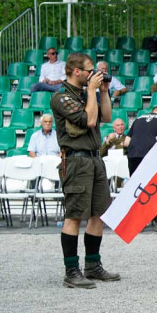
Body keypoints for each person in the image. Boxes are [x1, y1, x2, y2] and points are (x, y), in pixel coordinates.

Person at [50, 53, 119, 289]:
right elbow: (89, 121)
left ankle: (93, 266)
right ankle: (71, 271)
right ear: (76, 71)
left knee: (98, 213)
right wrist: (91, 91)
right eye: (89, 70)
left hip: (95, 159)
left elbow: (107, 116)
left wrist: (104, 91)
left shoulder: (85, 94)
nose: (94, 75)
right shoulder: (61, 97)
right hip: (76, 161)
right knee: (75, 215)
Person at [124, 105, 157, 231]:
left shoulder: (138, 119)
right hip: (151, 156)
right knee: (155, 187)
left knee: (137, 188)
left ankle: (138, 223)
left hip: (134, 155)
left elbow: (126, 142)